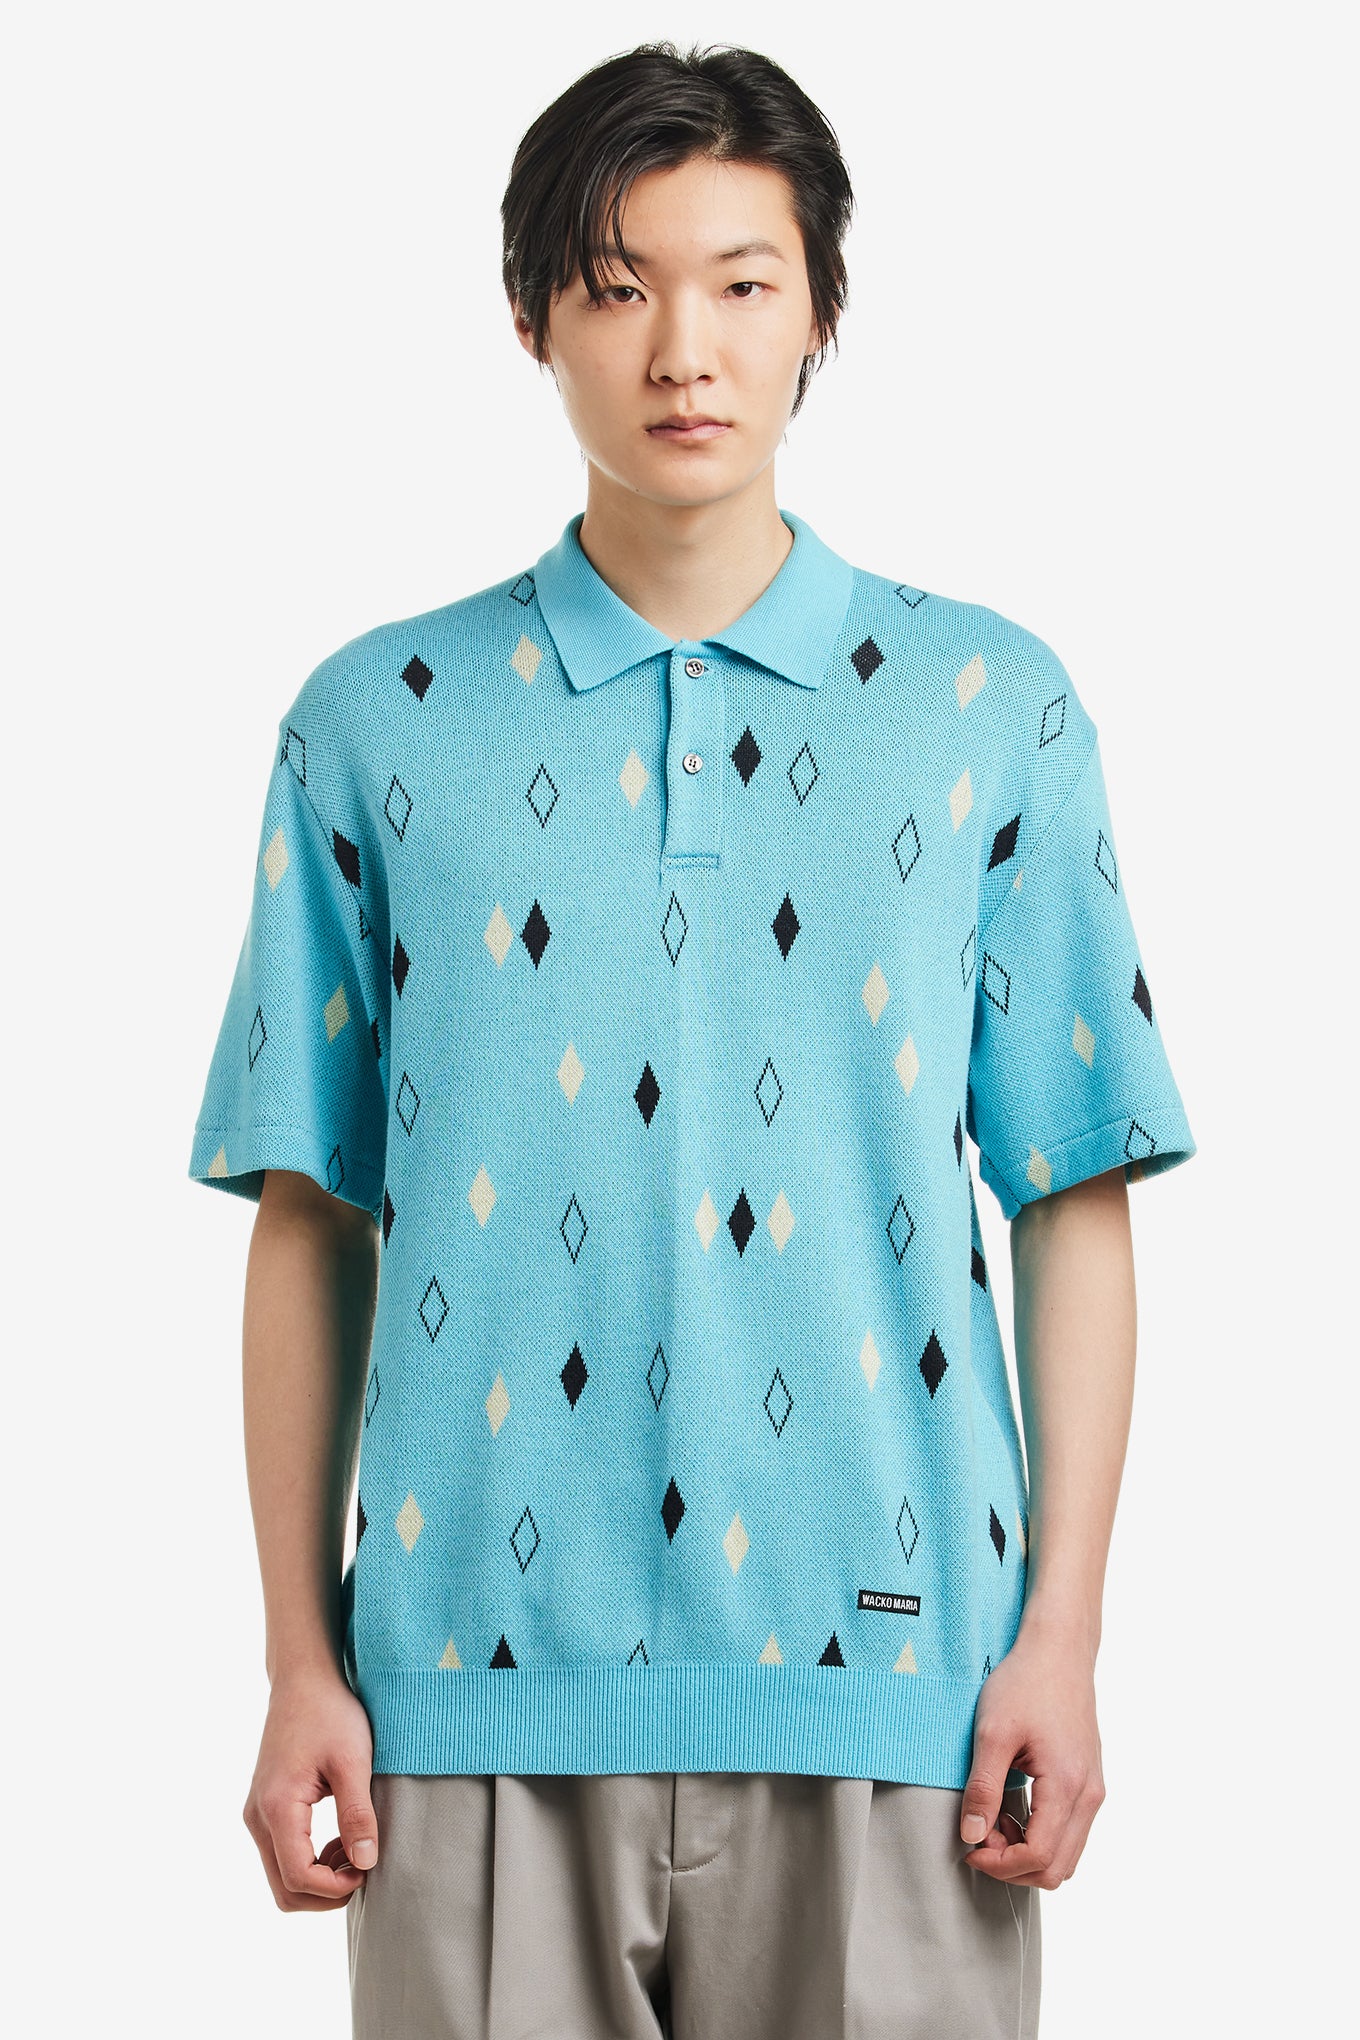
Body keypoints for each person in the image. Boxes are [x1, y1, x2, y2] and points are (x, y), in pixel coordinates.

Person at [187, 38, 1197, 2040]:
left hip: (901, 1693)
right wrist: (300, 1656)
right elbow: (310, 1208)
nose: (683, 351)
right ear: (530, 317)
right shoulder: (372, 724)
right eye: (616, 285)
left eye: (742, 282)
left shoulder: (989, 709)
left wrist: (1061, 1639)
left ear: (821, 309)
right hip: (461, 1699)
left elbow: (1072, 1187)